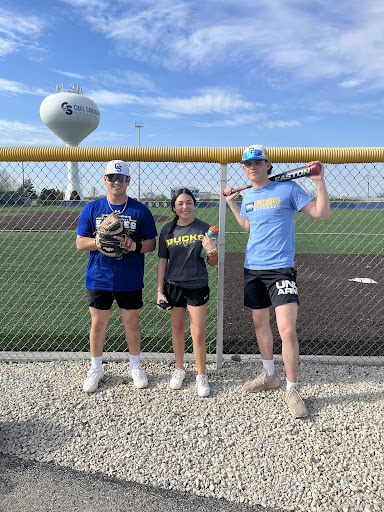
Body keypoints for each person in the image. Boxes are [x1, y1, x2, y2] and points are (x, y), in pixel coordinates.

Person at [223, 145, 330, 418]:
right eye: (247, 164)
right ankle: (269, 374)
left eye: (258, 162)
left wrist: (319, 182)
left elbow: (321, 213)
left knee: (287, 330)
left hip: (280, 270)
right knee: (260, 324)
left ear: (268, 165)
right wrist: (232, 204)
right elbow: (248, 226)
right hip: (252, 269)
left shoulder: (289, 189)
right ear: (244, 168)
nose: (252, 167)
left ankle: (292, 388)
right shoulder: (248, 196)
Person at [76, 160, 157, 393]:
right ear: (105, 180)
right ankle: (96, 368)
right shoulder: (92, 209)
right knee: (98, 323)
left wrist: (133, 246)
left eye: (121, 178)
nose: (116, 182)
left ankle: (135, 366)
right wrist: (99, 242)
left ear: (128, 181)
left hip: (129, 277)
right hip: (99, 276)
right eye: (111, 177)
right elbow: (80, 243)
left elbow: (151, 243)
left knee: (131, 323)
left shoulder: (140, 210)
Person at [157, 188, 218, 397]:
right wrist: (159, 291)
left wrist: (211, 249)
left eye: (189, 202)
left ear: (194, 204)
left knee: (198, 333)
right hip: (173, 286)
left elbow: (213, 263)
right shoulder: (167, 230)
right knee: (178, 329)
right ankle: (180, 369)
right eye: (180, 203)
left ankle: (201, 374)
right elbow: (162, 262)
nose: (185, 206)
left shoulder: (204, 228)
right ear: (174, 206)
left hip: (197, 285)